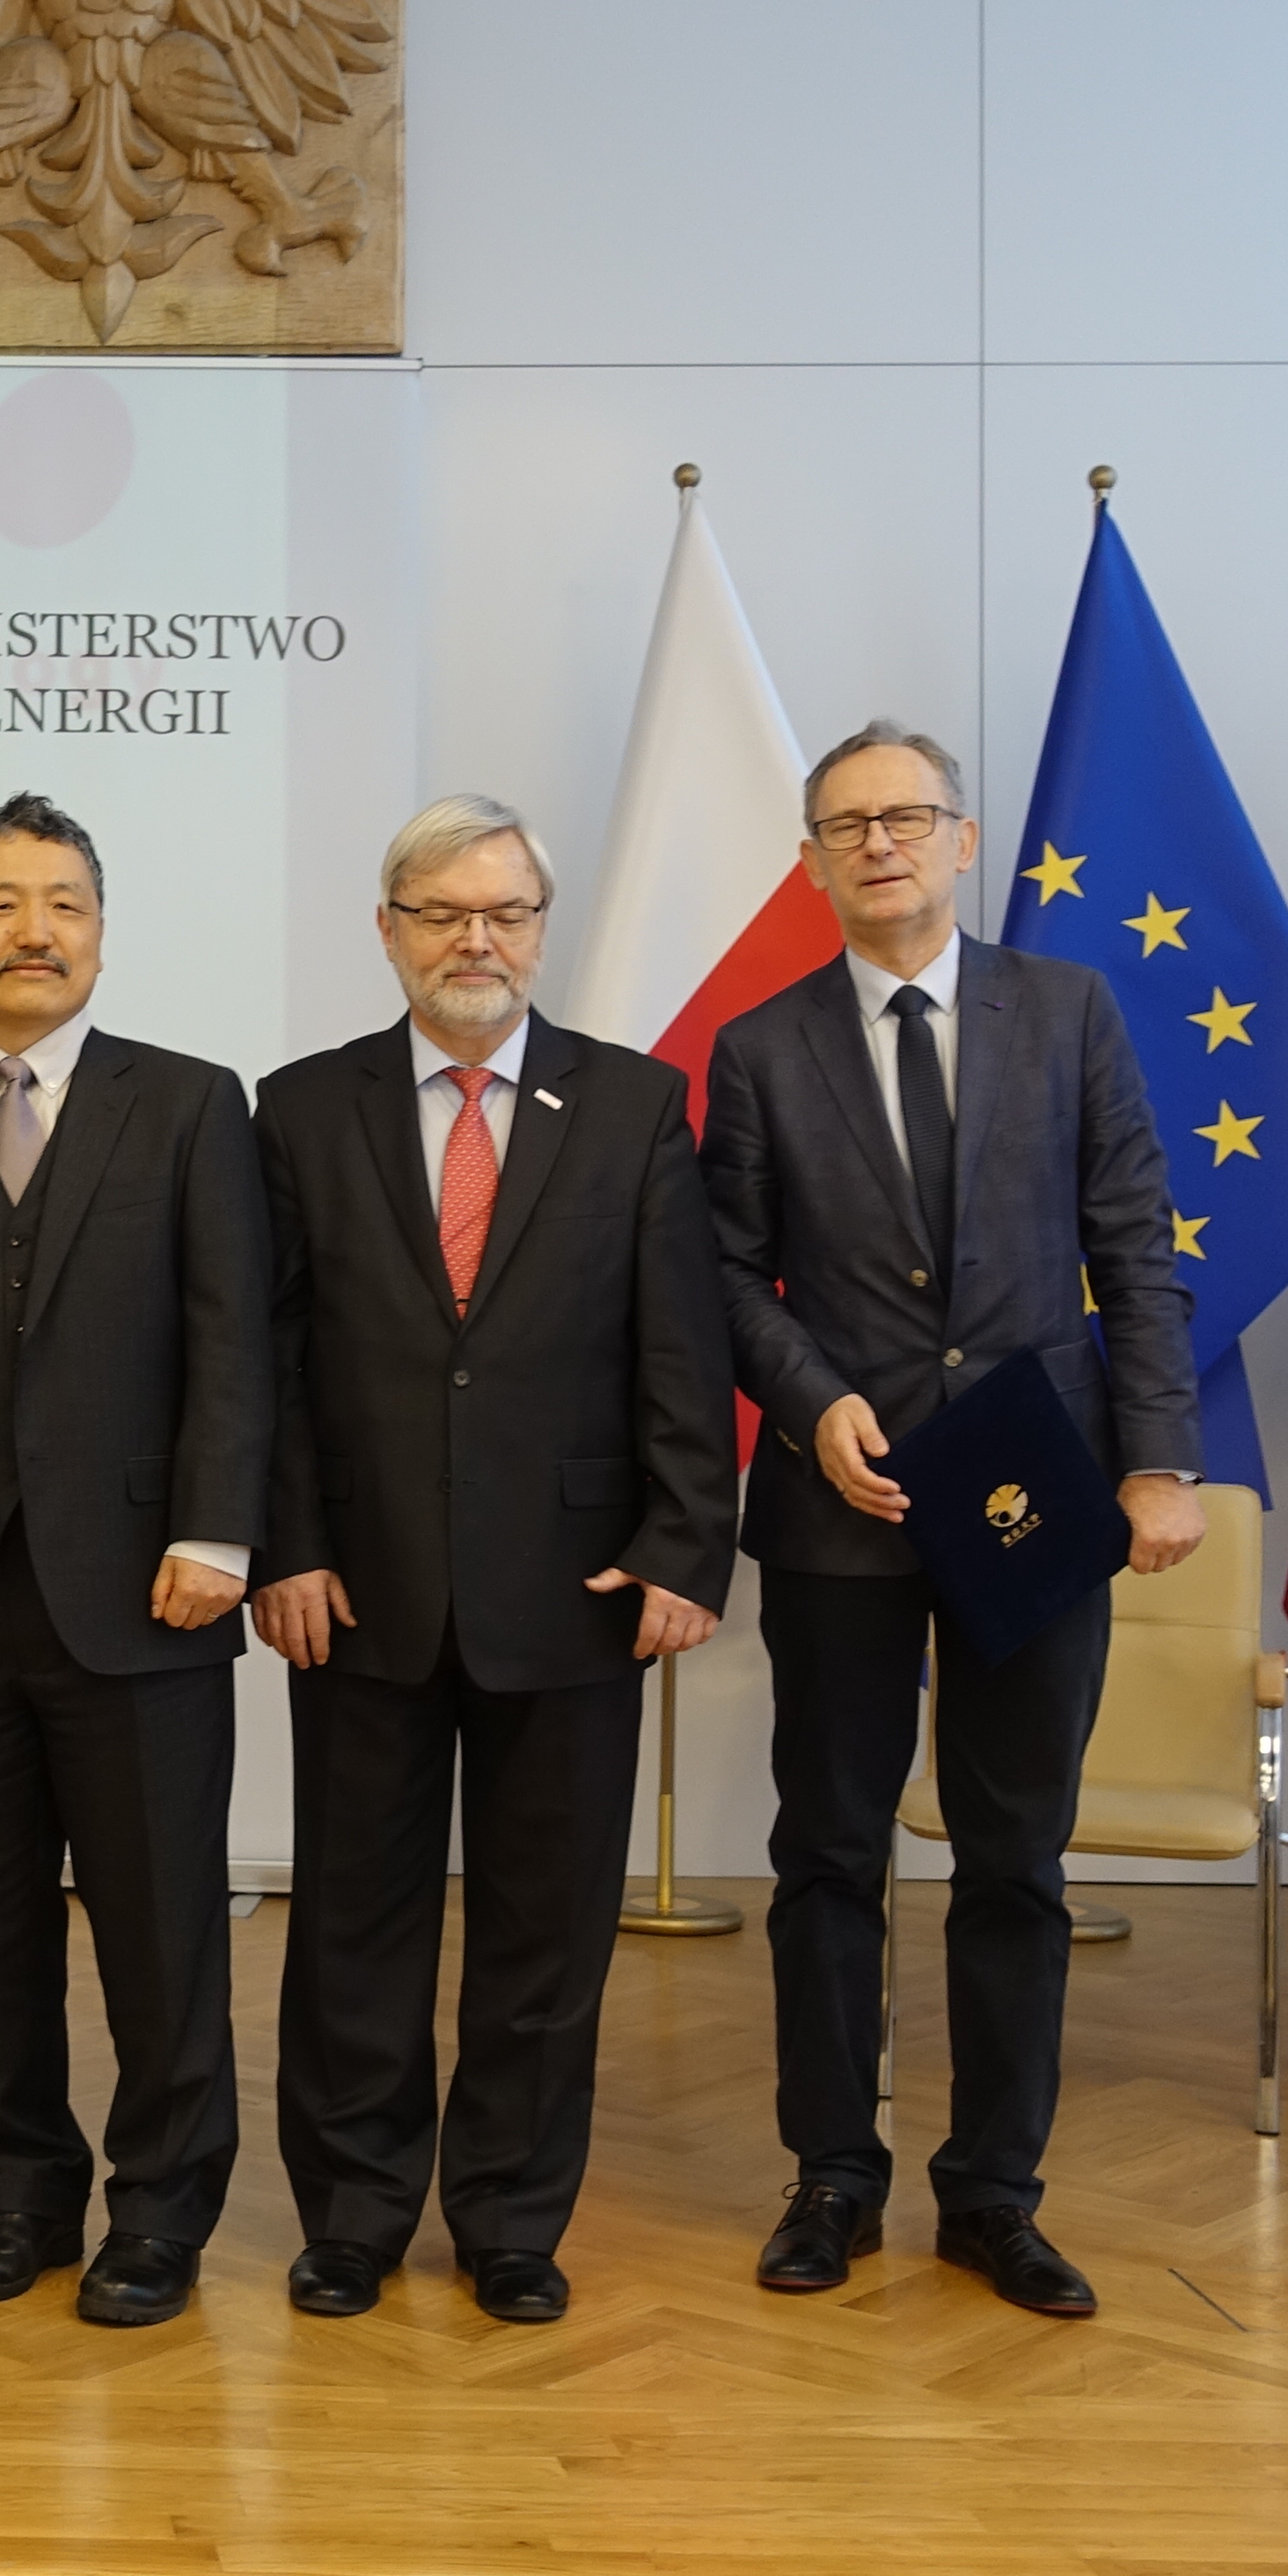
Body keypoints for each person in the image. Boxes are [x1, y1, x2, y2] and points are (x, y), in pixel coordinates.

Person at [701, 720, 1202, 2319]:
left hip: (1029, 1494)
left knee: (1015, 1858)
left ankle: (994, 2193)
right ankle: (832, 2177)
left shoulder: (1067, 1011)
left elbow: (1134, 1245)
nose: (880, 843)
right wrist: (808, 1400)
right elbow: (726, 1273)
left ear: (963, 842)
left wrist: (1158, 1462)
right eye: (846, 824)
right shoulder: (759, 1048)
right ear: (811, 860)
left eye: (907, 817)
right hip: (840, 1504)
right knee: (828, 1851)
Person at [249, 796, 737, 2325]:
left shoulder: (637, 1105)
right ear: (388, 929)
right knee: (355, 1925)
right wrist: (285, 1547)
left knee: (547, 1932)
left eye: (505, 913)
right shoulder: (301, 1108)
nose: (476, 940)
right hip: (359, 1590)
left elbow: (683, 1342)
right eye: (443, 913)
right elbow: (270, 1358)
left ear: (539, 930)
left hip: (578, 1592)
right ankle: (353, 2217)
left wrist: (684, 1544)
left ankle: (513, 2218)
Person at [0, 793, 271, 2328]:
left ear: (100, 931)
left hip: (147, 1590)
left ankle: (162, 2208)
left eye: (65, 903)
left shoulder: (193, 1104)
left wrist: (218, 1529)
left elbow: (236, 1332)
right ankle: (22, 2185)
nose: (35, 931)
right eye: (2, 905)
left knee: (163, 1927)